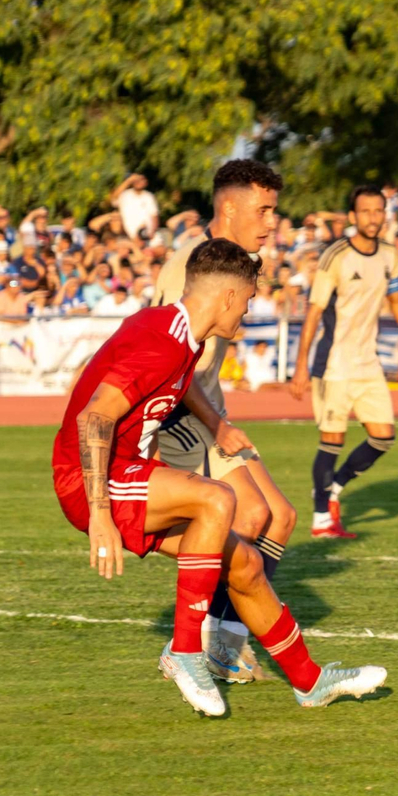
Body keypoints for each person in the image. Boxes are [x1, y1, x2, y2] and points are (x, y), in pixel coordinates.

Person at [51, 239, 386, 717]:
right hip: (93, 480)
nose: (247, 311)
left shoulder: (181, 338)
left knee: (245, 564)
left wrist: (215, 424)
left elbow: (172, 384)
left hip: (128, 473)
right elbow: (94, 418)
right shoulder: (161, 339)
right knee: (218, 498)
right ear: (228, 296)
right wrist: (100, 515)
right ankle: (186, 653)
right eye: (248, 299)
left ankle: (311, 683)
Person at [150, 159, 299, 679]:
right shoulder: (188, 265)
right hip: (180, 413)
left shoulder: (237, 260)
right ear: (229, 208)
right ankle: (196, 643)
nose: (272, 221)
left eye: (274, 211)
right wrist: (216, 424)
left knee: (280, 517)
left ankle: (227, 640)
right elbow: (170, 359)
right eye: (264, 210)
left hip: (209, 410)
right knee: (249, 516)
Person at [290, 184, 398, 537]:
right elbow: (314, 312)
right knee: (332, 440)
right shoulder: (335, 256)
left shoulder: (388, 254)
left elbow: (396, 300)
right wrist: (301, 365)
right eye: (365, 211)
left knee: (383, 437)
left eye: (378, 211)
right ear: (353, 217)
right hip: (334, 364)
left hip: (368, 363)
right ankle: (321, 518)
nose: (372, 217)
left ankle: (333, 488)